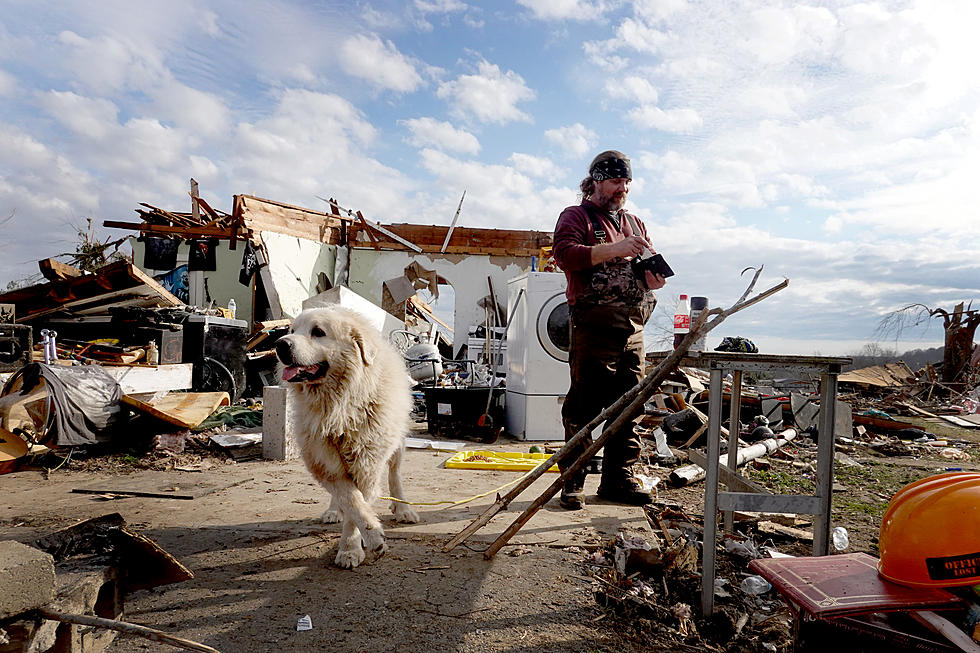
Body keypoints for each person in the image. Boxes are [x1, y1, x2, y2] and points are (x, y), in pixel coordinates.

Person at [552, 150, 667, 510]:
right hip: (592, 324)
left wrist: (653, 277)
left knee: (630, 404)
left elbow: (646, 272)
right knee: (585, 405)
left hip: (633, 328)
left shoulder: (636, 223)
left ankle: (618, 479)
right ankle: (572, 481)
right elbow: (565, 255)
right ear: (597, 180)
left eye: (627, 182)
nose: (623, 188)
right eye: (617, 181)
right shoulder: (576, 216)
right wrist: (614, 249)